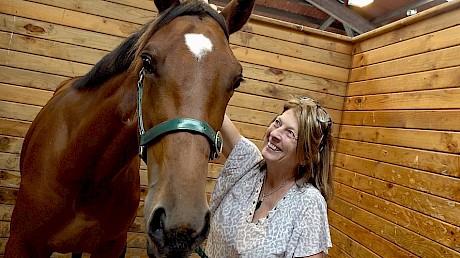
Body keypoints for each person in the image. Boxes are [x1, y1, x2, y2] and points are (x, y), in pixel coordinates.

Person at [205, 96, 334, 257]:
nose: (275, 133)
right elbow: (214, 106)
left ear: (305, 156)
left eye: (290, 133)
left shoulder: (309, 203)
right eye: (278, 123)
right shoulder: (247, 162)